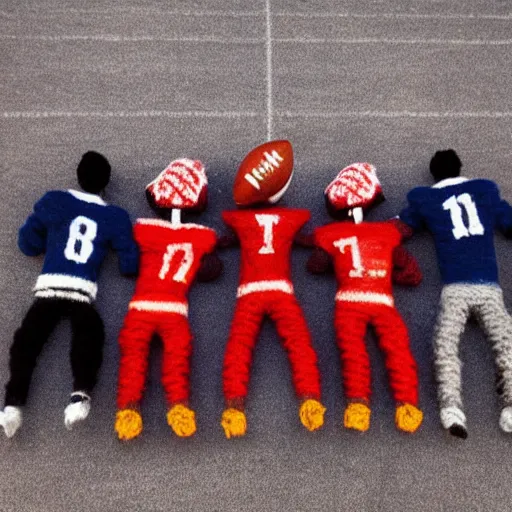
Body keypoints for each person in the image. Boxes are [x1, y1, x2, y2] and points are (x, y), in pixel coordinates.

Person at [0, 151, 138, 438]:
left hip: (49, 287)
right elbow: (130, 263)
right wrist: (126, 262)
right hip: (81, 292)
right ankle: (80, 395)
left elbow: (27, 243)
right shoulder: (114, 216)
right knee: (90, 338)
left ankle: (12, 403)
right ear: (105, 184)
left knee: (26, 343)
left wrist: (45, 240)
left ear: (77, 175)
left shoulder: (55, 201)